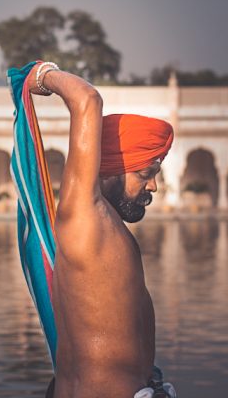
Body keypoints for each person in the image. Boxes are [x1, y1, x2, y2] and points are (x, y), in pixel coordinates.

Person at [25, 62, 176, 398]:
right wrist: (39, 75)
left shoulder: (111, 230)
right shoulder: (84, 216)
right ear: (109, 169)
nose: (153, 185)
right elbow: (87, 99)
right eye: (144, 173)